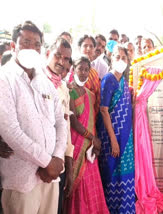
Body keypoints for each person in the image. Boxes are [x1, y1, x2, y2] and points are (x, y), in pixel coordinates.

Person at [0, 20, 67, 214]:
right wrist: (48, 162)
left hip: (50, 178)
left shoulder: (45, 81)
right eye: (26, 42)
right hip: (21, 181)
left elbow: (60, 122)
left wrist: (57, 157)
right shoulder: (4, 79)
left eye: (37, 44)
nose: (32, 48)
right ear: (14, 46)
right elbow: (11, 131)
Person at [65, 56, 109, 214]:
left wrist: (94, 144)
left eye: (86, 70)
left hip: (89, 148)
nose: (83, 73)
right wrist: (93, 138)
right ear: (74, 69)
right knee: (78, 184)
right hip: (76, 146)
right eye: (80, 69)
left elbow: (92, 120)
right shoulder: (69, 91)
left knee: (91, 183)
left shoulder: (90, 94)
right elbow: (74, 122)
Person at [97, 45, 135, 213]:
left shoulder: (124, 82)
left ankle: (126, 210)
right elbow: (104, 110)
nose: (120, 60)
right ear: (111, 59)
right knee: (112, 176)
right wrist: (113, 140)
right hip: (111, 137)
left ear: (128, 61)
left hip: (126, 139)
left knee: (125, 174)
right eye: (117, 57)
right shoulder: (108, 80)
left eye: (123, 57)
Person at [44, 37, 74, 214]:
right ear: (48, 54)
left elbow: (66, 127)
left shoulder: (63, 88)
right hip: (34, 164)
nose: (62, 62)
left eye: (66, 59)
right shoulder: (34, 79)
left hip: (58, 163)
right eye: (58, 56)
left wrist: (68, 167)